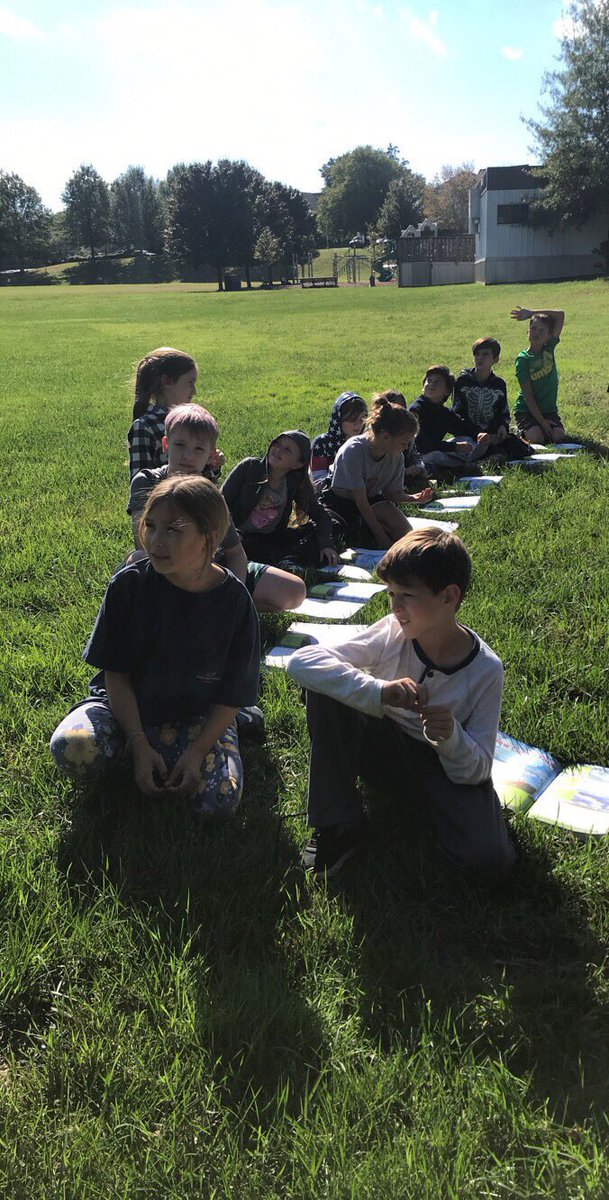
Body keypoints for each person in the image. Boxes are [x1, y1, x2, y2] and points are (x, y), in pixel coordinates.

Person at [287, 527, 515, 881]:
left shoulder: (486, 670)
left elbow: (479, 768)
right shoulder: (393, 630)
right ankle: (339, 824)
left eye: (407, 595)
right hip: (382, 748)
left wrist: (451, 737)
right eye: (391, 594)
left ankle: (426, 807)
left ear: (449, 596)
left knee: (489, 859)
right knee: (327, 688)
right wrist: (378, 691)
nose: (395, 607)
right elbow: (302, 663)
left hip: (441, 768)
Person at [50, 477, 260, 817]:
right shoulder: (129, 585)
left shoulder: (234, 602)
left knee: (217, 802)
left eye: (174, 530)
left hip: (197, 717)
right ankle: (140, 756)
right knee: (72, 748)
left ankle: (204, 745)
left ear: (210, 537)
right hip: (124, 710)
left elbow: (232, 695)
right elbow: (115, 676)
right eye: (150, 525)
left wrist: (197, 751)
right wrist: (137, 742)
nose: (157, 541)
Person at [128, 404, 306, 612]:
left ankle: (220, 608)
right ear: (166, 445)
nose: (188, 455)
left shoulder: (208, 494)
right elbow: (144, 543)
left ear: (211, 454)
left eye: (198, 449)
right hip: (165, 564)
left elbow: (236, 554)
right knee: (137, 561)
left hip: (211, 569)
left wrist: (232, 596)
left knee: (295, 590)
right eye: (180, 445)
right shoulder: (147, 481)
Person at [319, 395, 434, 550]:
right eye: (404, 442)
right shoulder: (353, 450)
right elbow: (361, 502)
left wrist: (414, 498)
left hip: (370, 498)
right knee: (338, 532)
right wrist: (382, 538)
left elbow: (391, 494)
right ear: (386, 437)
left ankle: (366, 526)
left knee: (404, 532)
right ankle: (362, 528)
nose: (406, 447)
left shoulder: (396, 457)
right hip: (339, 500)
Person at [221, 430, 339, 571]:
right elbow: (219, 503)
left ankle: (287, 560)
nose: (278, 450)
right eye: (277, 444)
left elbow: (319, 514)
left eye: (287, 450)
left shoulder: (293, 482)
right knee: (257, 548)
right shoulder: (250, 467)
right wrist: (232, 534)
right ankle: (285, 562)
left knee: (333, 525)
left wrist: (326, 543)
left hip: (271, 539)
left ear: (298, 464)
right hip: (238, 538)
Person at [127, 346, 224, 479]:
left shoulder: (192, 420)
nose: (194, 391)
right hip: (165, 498)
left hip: (199, 495)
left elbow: (204, 476)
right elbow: (140, 485)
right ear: (167, 381)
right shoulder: (145, 426)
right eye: (190, 382)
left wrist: (212, 465)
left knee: (249, 465)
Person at [452, 339, 532, 463]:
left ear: (495, 359)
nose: (480, 358)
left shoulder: (499, 384)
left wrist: (502, 426)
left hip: (491, 435)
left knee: (516, 445)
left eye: (485, 354)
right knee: (470, 448)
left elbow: (503, 412)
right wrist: (477, 433)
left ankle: (493, 455)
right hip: (468, 434)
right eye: (477, 354)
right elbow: (456, 414)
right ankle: (489, 457)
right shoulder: (462, 382)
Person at [510, 305, 568, 444]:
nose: (537, 333)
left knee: (558, 436)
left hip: (547, 410)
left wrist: (531, 313)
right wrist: (541, 422)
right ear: (528, 332)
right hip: (527, 410)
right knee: (537, 439)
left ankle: (538, 427)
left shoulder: (549, 349)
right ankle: (519, 429)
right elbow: (527, 394)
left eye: (542, 330)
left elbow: (560, 314)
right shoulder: (523, 359)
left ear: (549, 336)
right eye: (533, 328)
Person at [409, 365, 478, 472]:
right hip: (415, 458)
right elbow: (420, 444)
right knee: (437, 456)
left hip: (437, 450)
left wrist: (483, 434)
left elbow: (463, 427)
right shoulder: (415, 410)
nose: (431, 384)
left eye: (437, 382)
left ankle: (467, 462)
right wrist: (454, 447)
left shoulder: (443, 412)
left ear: (447, 391)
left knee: (469, 440)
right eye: (429, 380)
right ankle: (462, 467)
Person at [311, 391, 368, 477]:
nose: (358, 424)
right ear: (339, 418)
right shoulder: (322, 443)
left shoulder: (366, 443)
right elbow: (318, 479)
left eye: (362, 419)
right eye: (351, 419)